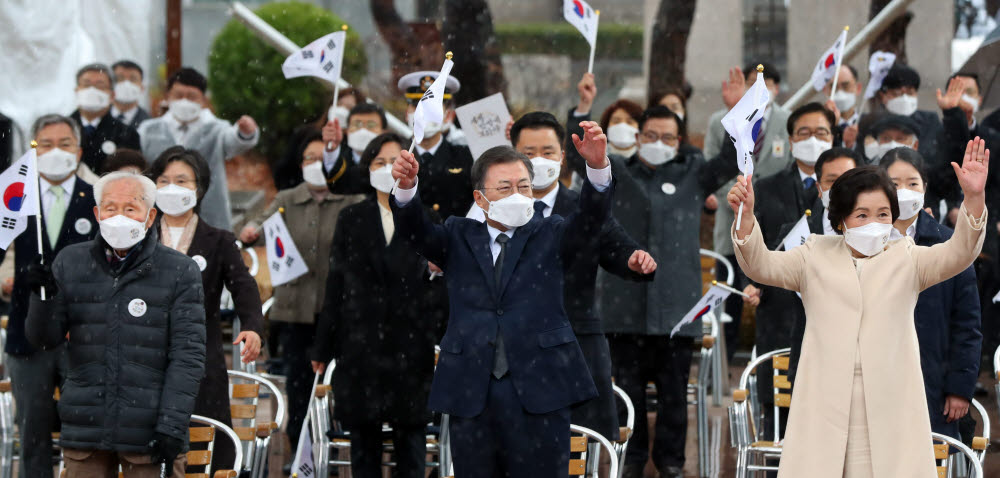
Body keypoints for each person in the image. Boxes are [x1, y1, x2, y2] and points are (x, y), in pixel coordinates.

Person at [725, 136, 989, 477]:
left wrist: (974, 198)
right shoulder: (813, 254)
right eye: (861, 215)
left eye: (882, 214)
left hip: (891, 405)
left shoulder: (907, 258)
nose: (874, 223)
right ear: (841, 220)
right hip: (824, 404)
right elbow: (761, 265)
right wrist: (745, 221)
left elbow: (960, 252)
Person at [389, 122, 614, 477]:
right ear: (480, 198)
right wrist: (405, 188)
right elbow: (414, 230)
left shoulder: (551, 232)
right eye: (505, 188)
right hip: (472, 388)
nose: (518, 195)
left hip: (541, 386)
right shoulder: (457, 234)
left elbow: (592, 219)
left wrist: (598, 168)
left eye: (524, 186)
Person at [569, 105, 736, 478]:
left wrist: (736, 109)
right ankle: (631, 457)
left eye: (667, 137)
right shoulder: (618, 172)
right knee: (628, 392)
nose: (658, 143)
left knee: (674, 393)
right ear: (638, 136)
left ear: (679, 141)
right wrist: (579, 112)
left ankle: (672, 463)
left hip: (677, 308)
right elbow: (578, 160)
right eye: (650, 135)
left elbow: (730, 159)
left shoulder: (693, 174)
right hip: (623, 306)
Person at [471, 112, 656, 440]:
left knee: (579, 448)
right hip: (508, 348)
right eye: (528, 153)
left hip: (574, 346)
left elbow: (614, 244)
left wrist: (634, 258)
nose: (538, 161)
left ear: (563, 156)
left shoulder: (581, 207)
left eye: (547, 152)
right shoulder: (488, 208)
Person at [25, 172, 206, 478]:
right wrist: (44, 298)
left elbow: (188, 356)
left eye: (130, 208)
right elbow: (44, 339)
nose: (119, 217)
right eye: (110, 208)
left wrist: (172, 425)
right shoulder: (70, 262)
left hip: (149, 431)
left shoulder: (179, 270)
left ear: (150, 217)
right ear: (97, 214)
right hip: (87, 427)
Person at [311, 133, 446, 478]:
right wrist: (323, 346)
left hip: (410, 344)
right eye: (378, 162)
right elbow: (336, 283)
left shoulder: (426, 216)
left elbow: (442, 283)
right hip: (360, 345)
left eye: (393, 161)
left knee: (411, 445)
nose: (387, 169)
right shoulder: (352, 217)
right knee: (364, 446)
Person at [238, 128, 364, 456]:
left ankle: (336, 455)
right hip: (296, 312)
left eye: (323, 157)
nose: (315, 163)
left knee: (342, 391)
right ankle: (300, 456)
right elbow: (260, 226)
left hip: (342, 314)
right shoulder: (287, 199)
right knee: (299, 391)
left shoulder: (352, 200)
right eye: (309, 157)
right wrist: (251, 231)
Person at [148, 146, 263, 469]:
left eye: (182, 181)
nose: (172, 188)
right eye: (164, 179)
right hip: (145, 359)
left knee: (205, 448)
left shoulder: (218, 240)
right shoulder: (141, 236)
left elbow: (243, 286)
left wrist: (253, 326)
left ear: (199, 189)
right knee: (147, 454)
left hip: (201, 358)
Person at [0, 114, 99, 478]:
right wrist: (12, 277)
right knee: (32, 434)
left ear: (79, 150)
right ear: (33, 149)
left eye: (65, 144)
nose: (55, 152)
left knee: (87, 436)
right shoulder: (12, 200)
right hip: (27, 337)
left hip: (84, 336)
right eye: (46, 144)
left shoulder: (98, 200)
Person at [742, 102, 836, 437]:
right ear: (791, 140)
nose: (813, 139)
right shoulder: (766, 188)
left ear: (834, 137)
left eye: (821, 132)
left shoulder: (855, 188)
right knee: (780, 418)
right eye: (805, 133)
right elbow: (752, 241)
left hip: (833, 312)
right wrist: (751, 283)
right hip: (780, 311)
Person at [877, 147, 982, 441]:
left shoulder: (947, 242)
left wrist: (959, 389)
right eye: (893, 183)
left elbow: (967, 324)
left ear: (925, 189)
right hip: (877, 376)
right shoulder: (864, 241)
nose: (903, 191)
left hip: (932, 382)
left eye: (912, 183)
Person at [705, 65, 792, 358]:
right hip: (732, 218)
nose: (762, 89)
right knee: (731, 293)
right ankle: (724, 361)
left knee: (770, 292)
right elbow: (710, 169)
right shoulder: (720, 120)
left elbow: (790, 167)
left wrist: (766, 203)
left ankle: (766, 359)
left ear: (777, 88)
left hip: (774, 225)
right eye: (756, 83)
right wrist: (738, 196)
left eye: (768, 83)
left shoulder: (787, 120)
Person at [138, 67, 260, 230]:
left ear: (202, 100)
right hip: (160, 215)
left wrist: (245, 133)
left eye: (191, 96)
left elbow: (233, 142)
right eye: (179, 95)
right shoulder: (149, 130)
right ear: (168, 96)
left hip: (208, 215)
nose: (184, 101)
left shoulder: (216, 129)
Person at [400, 70, 474, 220]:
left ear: (448, 115)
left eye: (433, 106)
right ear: (407, 113)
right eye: (417, 105)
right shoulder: (394, 154)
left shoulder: (467, 157)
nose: (423, 112)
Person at [70, 63, 141, 176]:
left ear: (112, 95)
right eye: (86, 84)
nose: (92, 90)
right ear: (77, 91)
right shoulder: (62, 129)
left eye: (100, 86)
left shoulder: (127, 134)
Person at [870, 63, 942, 162]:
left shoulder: (930, 121)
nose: (904, 98)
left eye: (910, 93)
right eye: (897, 94)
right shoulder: (871, 123)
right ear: (883, 96)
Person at [320, 102, 390, 195]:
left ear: (384, 132)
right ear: (347, 130)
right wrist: (331, 150)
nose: (363, 130)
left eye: (371, 125)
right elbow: (335, 181)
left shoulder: (392, 161)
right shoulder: (341, 159)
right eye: (357, 125)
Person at [823, 64, 864, 148]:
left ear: (858, 88)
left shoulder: (868, 124)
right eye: (834, 87)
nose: (840, 92)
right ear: (825, 90)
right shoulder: (820, 127)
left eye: (846, 86)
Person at [111, 60, 151, 130]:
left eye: (133, 79)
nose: (126, 84)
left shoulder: (149, 123)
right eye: (120, 78)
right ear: (110, 85)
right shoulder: (97, 116)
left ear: (142, 87)